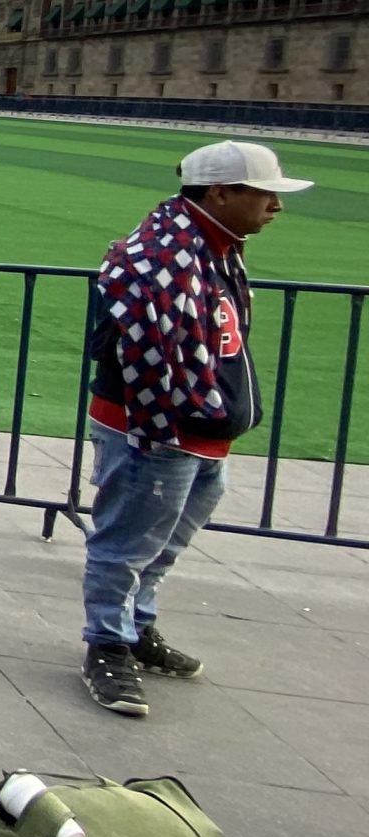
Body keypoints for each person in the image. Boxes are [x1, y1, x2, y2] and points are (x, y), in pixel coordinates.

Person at [79, 140, 312, 716]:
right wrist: (166, 428)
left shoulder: (211, 249)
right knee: (127, 543)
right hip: (156, 433)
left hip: (198, 432)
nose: (275, 208)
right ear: (220, 193)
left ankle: (136, 629)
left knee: (162, 544)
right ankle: (107, 646)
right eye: (266, 195)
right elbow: (146, 357)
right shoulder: (162, 257)